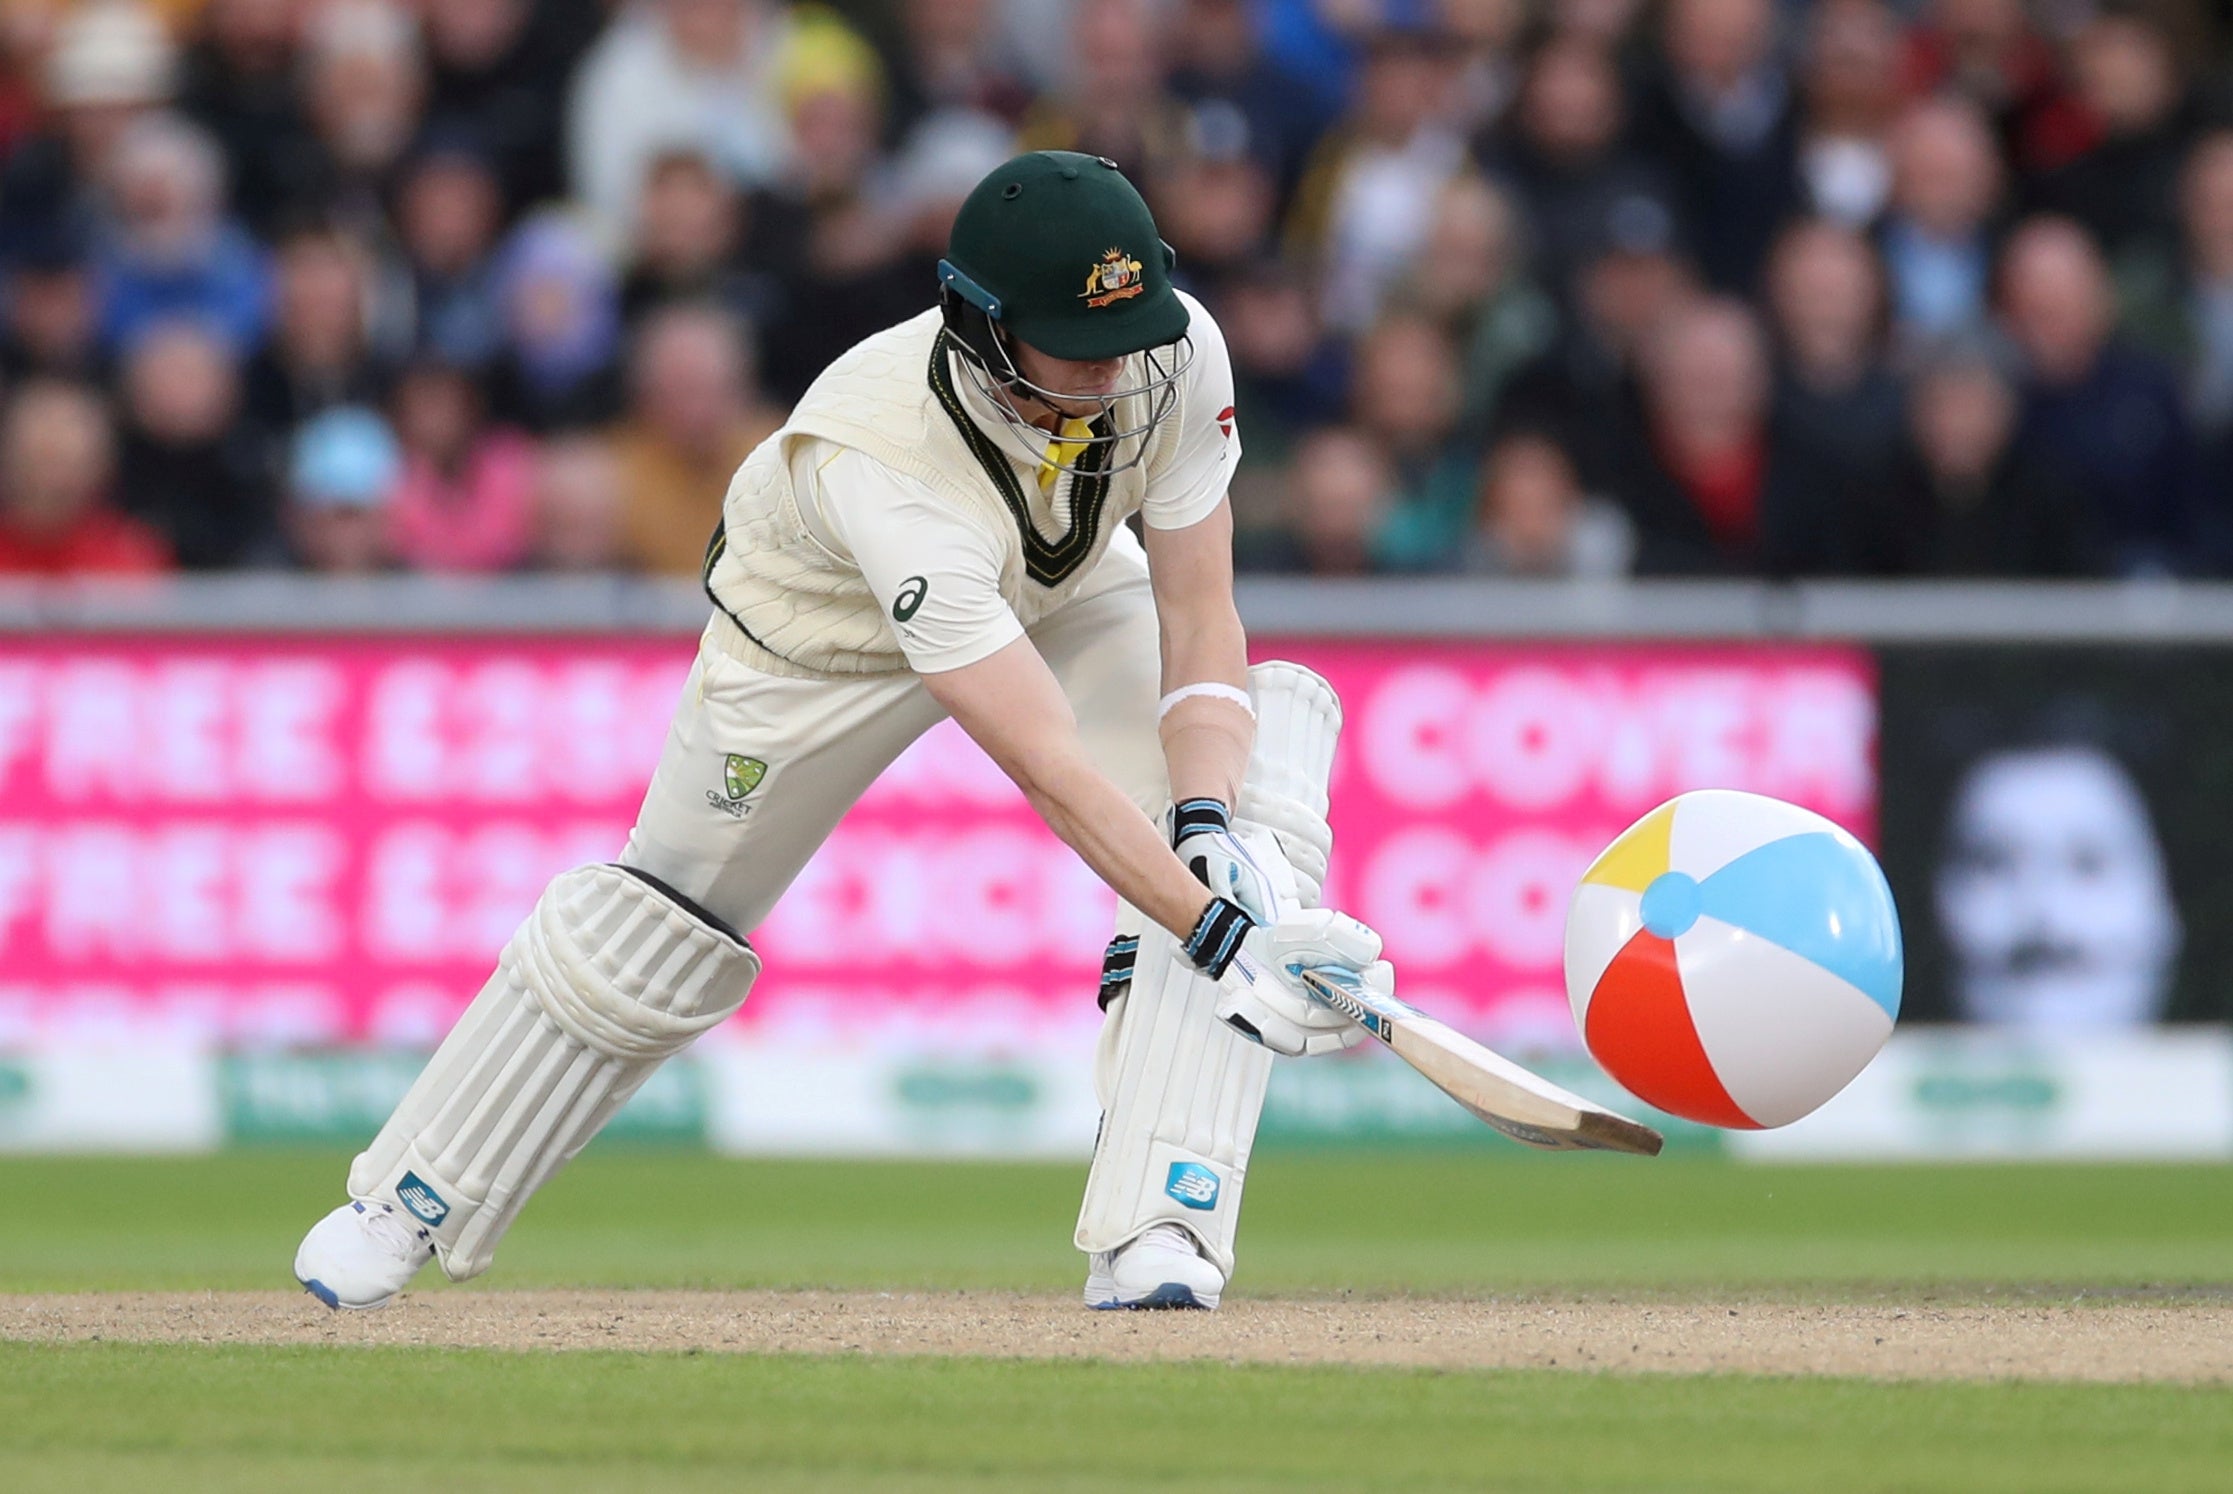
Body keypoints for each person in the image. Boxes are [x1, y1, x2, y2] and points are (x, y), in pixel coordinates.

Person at [292, 152, 1393, 1314]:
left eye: (1126, 332)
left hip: (1059, 580)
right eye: (1078, 341)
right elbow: (1047, 763)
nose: (1116, 368)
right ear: (984, 327)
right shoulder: (886, 460)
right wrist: (1221, 934)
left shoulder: (1169, 347)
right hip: (815, 644)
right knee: (654, 930)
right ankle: (404, 1203)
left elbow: (1196, 610)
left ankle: (1161, 1227)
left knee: (1237, 808)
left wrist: (1212, 838)